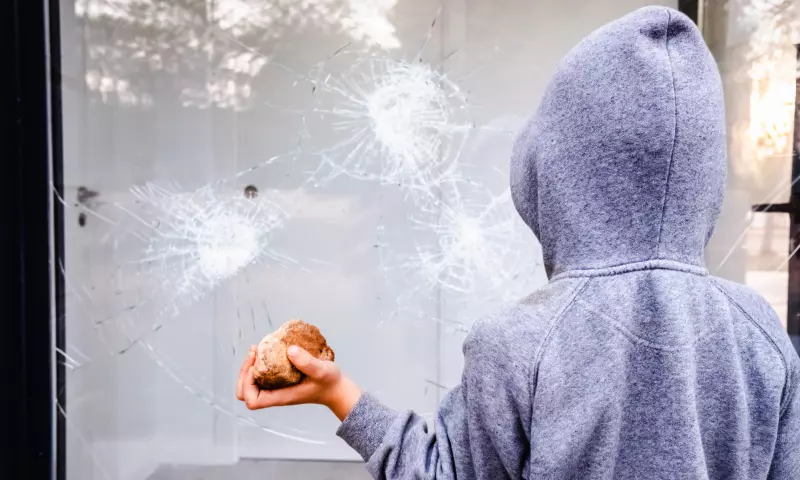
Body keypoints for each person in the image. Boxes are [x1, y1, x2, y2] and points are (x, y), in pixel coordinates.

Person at [236, 6, 800, 479]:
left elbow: (442, 473)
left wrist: (339, 395)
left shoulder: (522, 345)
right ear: (706, 176)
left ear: (550, 169)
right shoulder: (762, 337)